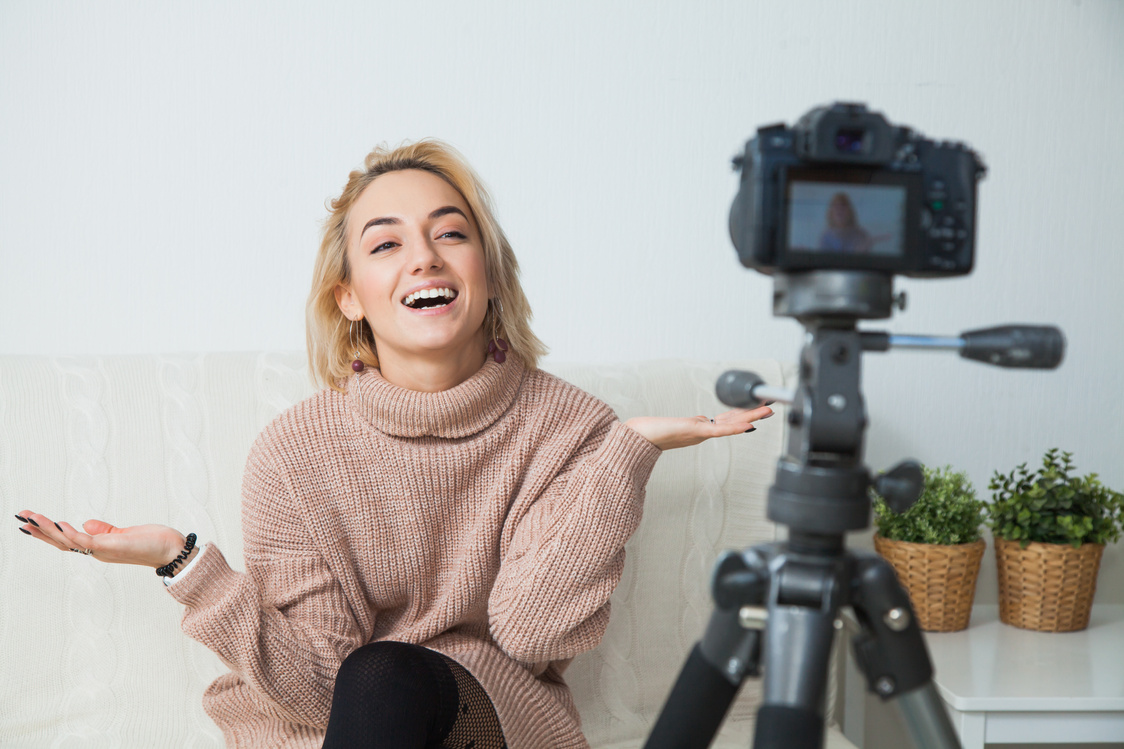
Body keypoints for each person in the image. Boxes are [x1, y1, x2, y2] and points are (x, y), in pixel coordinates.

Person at [16, 140, 774, 749]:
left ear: (488, 272)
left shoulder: (572, 430)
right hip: (330, 722)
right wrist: (186, 565)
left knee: (385, 675)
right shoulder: (293, 453)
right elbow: (319, 687)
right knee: (374, 681)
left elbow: (533, 631)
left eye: (452, 232)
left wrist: (623, 453)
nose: (425, 257)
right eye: (386, 244)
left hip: (484, 719)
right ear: (348, 296)